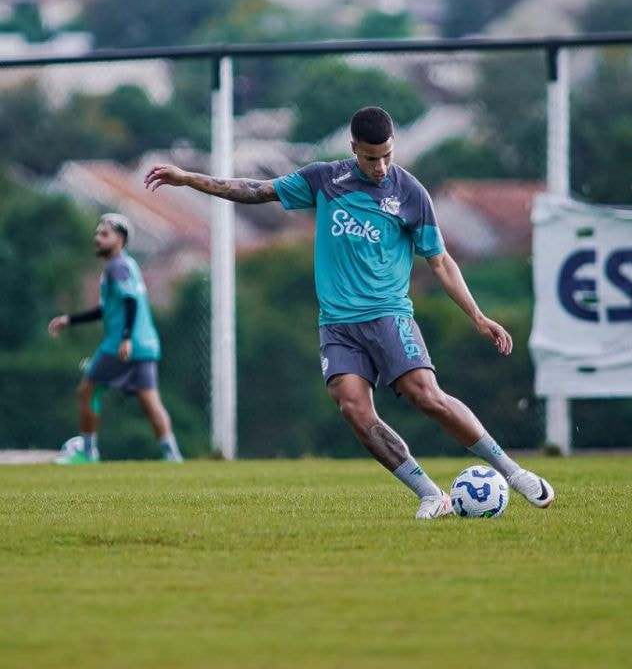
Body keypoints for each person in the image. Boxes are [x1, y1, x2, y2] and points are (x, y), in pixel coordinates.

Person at [145, 106, 553, 516]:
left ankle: (512, 472)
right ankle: (430, 494)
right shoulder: (324, 180)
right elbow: (255, 189)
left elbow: (441, 262)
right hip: (338, 325)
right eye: (371, 157)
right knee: (353, 409)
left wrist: (478, 316)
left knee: (425, 396)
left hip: (389, 315)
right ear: (354, 148)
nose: (381, 166)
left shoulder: (410, 194)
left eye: (388, 156)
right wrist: (187, 178)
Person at [48, 213, 183, 464]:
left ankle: (88, 453)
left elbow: (130, 300)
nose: (97, 238)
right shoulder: (128, 265)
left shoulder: (116, 267)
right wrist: (71, 320)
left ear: (119, 240)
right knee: (150, 401)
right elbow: (108, 308)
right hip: (147, 345)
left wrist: (125, 338)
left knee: (86, 391)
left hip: (121, 345)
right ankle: (173, 456)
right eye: (97, 233)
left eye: (104, 234)